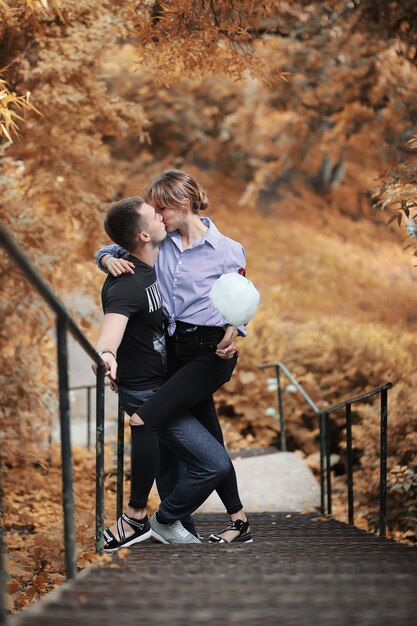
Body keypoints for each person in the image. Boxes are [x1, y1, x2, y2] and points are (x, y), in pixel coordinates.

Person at [96, 169, 251, 544]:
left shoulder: (228, 250)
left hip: (210, 351)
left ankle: (145, 519)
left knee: (146, 420)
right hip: (176, 353)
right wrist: (104, 259)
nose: (159, 215)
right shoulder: (160, 243)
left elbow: (241, 297)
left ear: (184, 204)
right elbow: (117, 244)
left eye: (162, 208)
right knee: (211, 435)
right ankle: (239, 521)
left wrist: (235, 329)